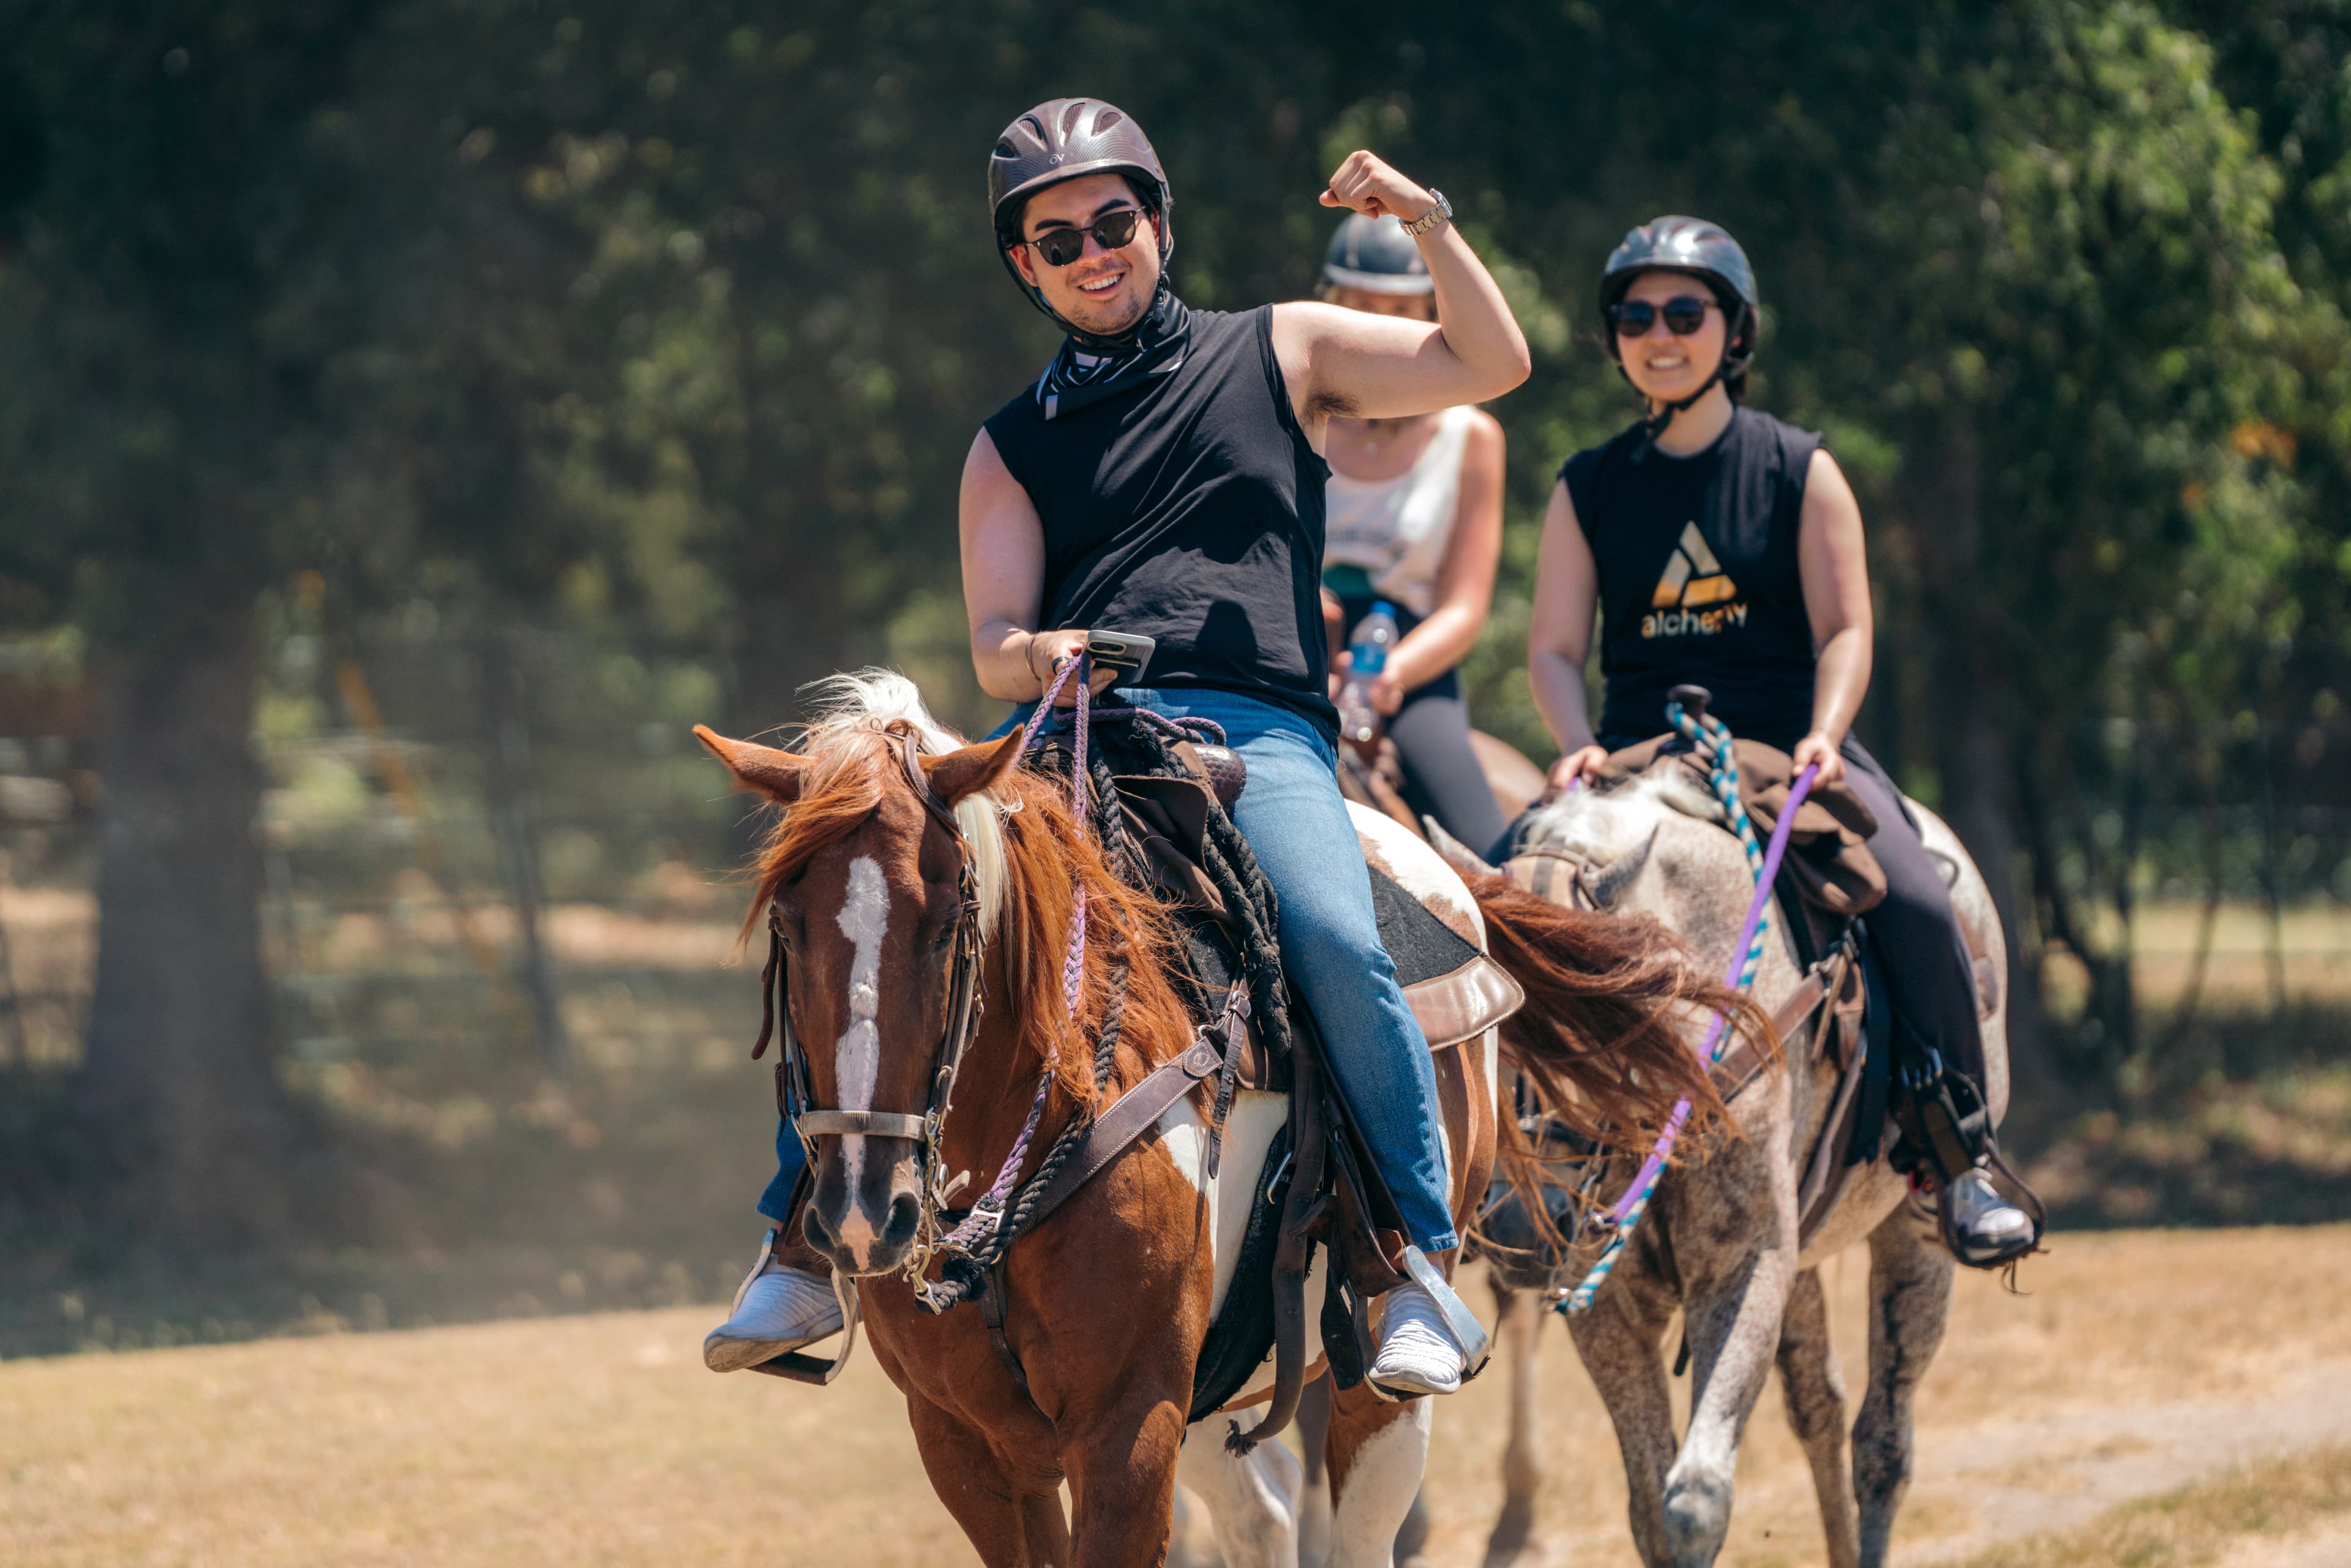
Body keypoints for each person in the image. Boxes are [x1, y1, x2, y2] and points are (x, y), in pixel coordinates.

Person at [707, 99, 1531, 1392]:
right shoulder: (1009, 445)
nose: (1096, 250)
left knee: (1331, 932)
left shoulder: (1285, 347)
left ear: (1157, 221)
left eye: (1115, 220)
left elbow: (1491, 365)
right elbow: (993, 636)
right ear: (1023, 266)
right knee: (880, 899)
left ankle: (1412, 1260)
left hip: (1254, 729)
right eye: (1059, 237)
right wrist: (1045, 656)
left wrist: (1427, 223)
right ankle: (801, 1247)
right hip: (1066, 729)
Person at [1523, 215, 2034, 1266]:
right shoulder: (1586, 486)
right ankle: (1512, 1163)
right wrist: (1573, 743)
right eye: (1635, 315)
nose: (1658, 334)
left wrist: (1824, 734)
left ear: (1735, 331)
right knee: (1508, 892)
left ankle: (1960, 1157)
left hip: (1780, 751)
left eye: (1684, 312)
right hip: (1629, 762)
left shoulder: (1801, 469)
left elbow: (1847, 626)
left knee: (1924, 899)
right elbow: (1554, 648)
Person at [1316, 213, 1509, 852]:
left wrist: (1387, 673)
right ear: (1328, 307)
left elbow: (1464, 607)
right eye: (1360, 307)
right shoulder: (1295, 417)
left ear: (1431, 310)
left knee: (1489, 848)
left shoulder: (1471, 437)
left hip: (1411, 669)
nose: (1377, 326)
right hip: (1292, 648)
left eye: (1397, 309)